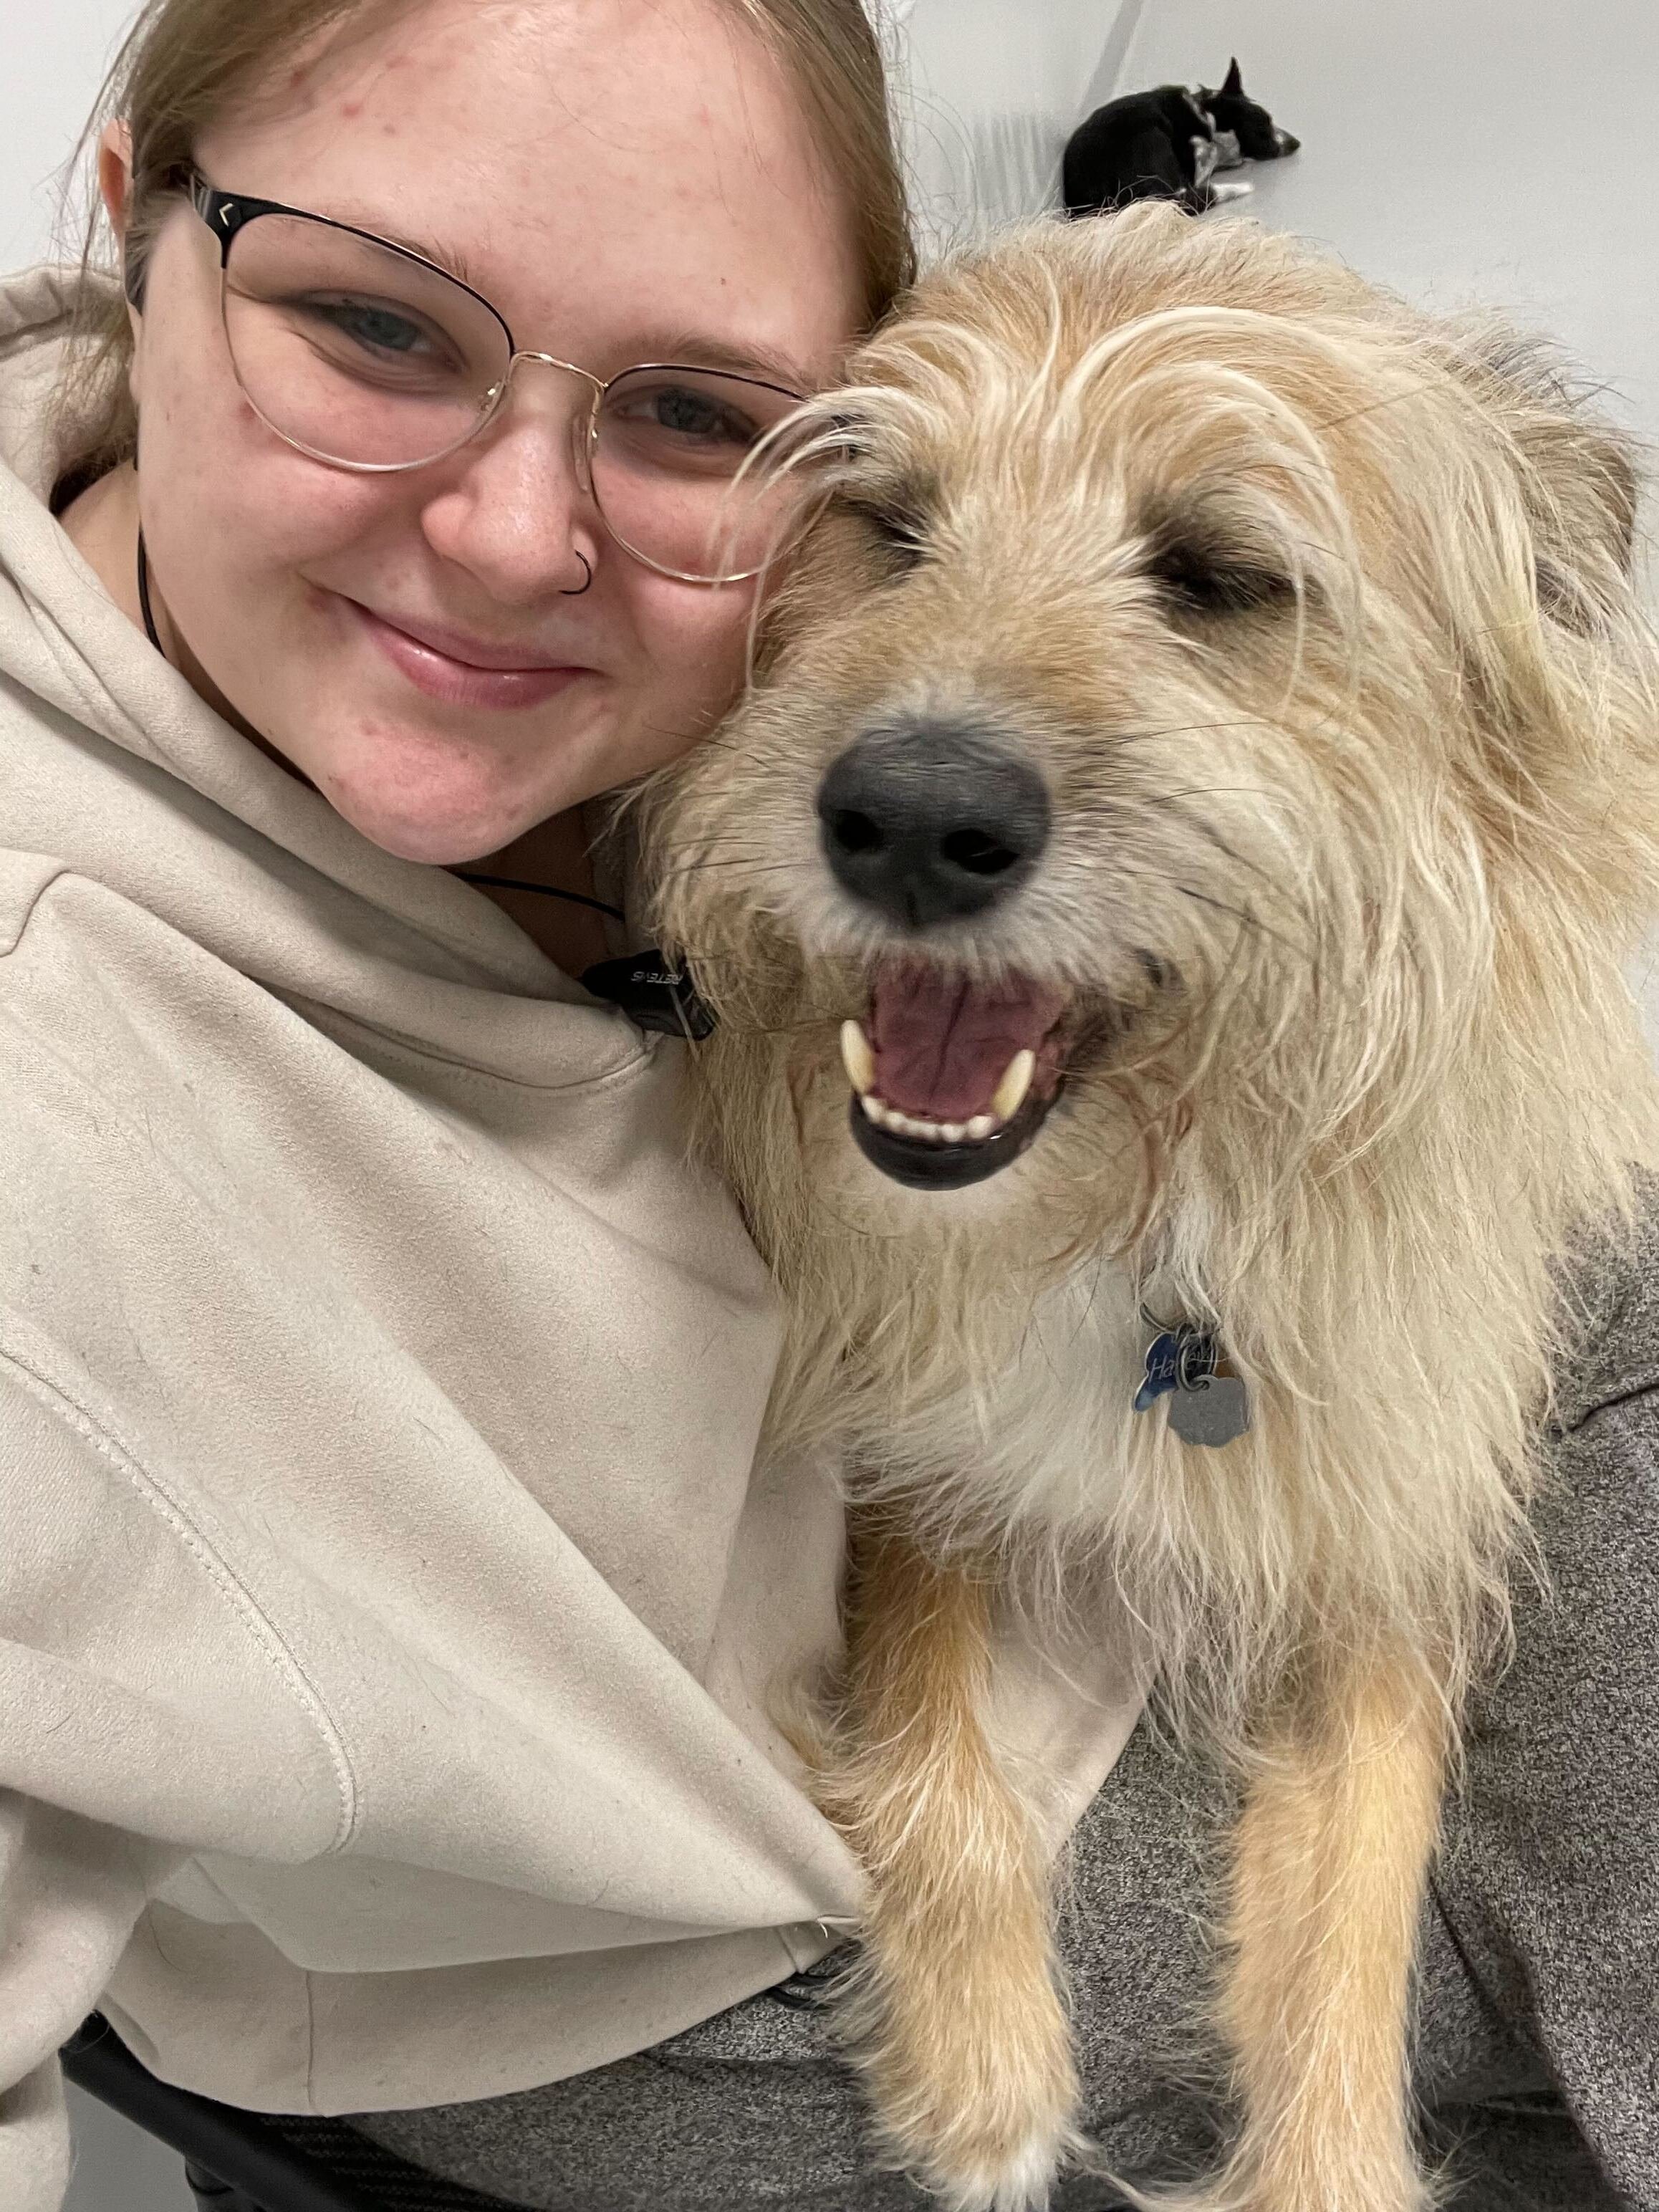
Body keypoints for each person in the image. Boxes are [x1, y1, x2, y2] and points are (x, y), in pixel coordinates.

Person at [2, 7, 1656, 2212]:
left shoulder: (599, 697)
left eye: (702, 411)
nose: (511, 540)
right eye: (373, 324)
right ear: (137, 217)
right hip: (707, 1963)